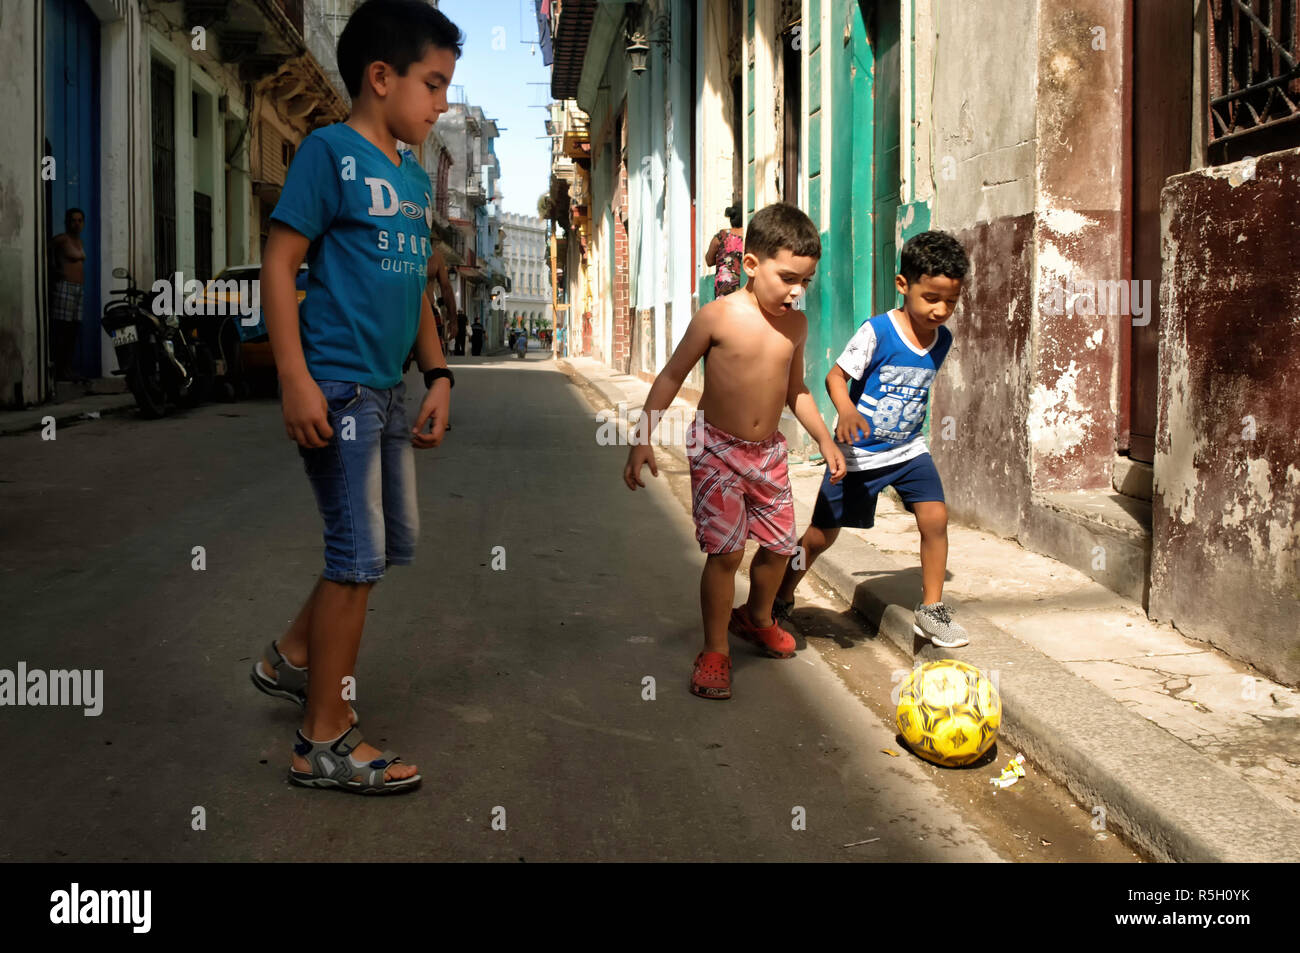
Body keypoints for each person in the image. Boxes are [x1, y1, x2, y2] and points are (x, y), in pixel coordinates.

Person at [248, 0, 462, 794]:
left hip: (387, 389)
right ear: (381, 77)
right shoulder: (328, 154)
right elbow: (279, 264)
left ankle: (291, 658)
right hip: (336, 386)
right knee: (356, 560)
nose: (441, 104)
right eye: (433, 85)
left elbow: (413, 293)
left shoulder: (409, 176)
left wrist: (437, 373)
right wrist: (295, 377)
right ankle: (323, 738)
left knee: (378, 547)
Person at [624, 203, 846, 700]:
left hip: (767, 453)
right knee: (725, 553)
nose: (796, 290)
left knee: (778, 547)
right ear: (751, 265)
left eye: (805, 281)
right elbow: (671, 376)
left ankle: (758, 616)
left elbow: (797, 390)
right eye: (788, 277)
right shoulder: (717, 316)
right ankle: (716, 649)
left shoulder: (796, 325)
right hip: (716, 449)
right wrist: (642, 437)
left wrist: (826, 438)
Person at [773, 230, 971, 648]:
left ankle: (932, 610)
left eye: (950, 302)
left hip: (908, 449)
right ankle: (782, 592)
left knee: (935, 520)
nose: (940, 310)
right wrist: (846, 411)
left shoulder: (943, 340)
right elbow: (835, 377)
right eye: (931, 297)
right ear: (903, 285)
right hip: (858, 454)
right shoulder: (877, 331)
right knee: (819, 537)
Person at [48, 207, 88, 381]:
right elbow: (47, 247)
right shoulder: (62, 239)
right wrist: (54, 267)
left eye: (80, 220)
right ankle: (60, 368)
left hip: (78, 290)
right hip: (65, 288)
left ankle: (68, 368)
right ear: (67, 222)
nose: (77, 224)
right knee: (63, 330)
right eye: (73, 220)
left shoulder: (80, 242)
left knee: (73, 330)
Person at [704, 204, 745, 298]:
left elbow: (709, 261)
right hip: (745, 284)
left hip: (724, 284)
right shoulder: (748, 235)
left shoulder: (721, 236)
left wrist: (725, 259)